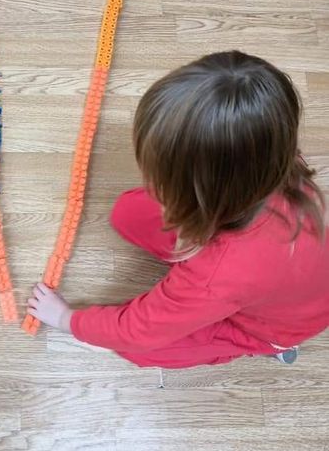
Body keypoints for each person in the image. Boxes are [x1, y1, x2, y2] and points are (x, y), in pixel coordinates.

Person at [27, 51, 329, 369]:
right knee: (128, 213)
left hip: (269, 326)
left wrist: (66, 319)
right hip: (267, 266)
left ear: (203, 193)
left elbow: (136, 330)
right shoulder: (271, 160)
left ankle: (272, 348)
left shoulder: (215, 275)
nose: (150, 181)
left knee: (142, 350)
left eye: (161, 177)